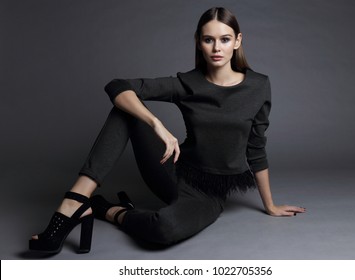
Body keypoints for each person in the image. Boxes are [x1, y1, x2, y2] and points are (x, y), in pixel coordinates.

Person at [29, 7, 305, 254]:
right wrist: (156, 124)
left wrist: (270, 205)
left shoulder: (258, 86)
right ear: (199, 42)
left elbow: (256, 149)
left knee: (164, 230)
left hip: (207, 193)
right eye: (208, 40)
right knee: (125, 108)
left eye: (225, 39)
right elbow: (117, 86)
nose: (216, 48)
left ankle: (107, 210)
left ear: (238, 41)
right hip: (172, 168)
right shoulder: (187, 84)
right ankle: (74, 201)